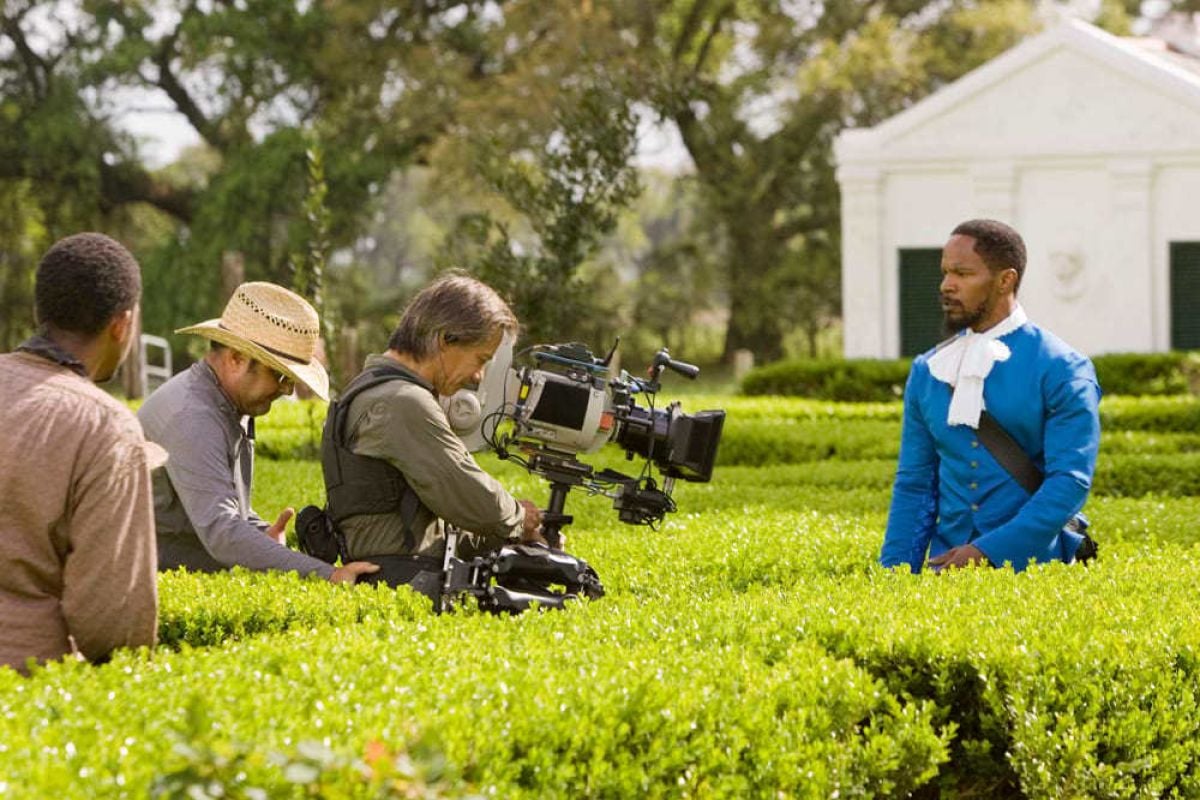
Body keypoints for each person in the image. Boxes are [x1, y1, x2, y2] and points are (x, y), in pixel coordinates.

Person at [880, 219, 1101, 573]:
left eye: (962, 274)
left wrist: (988, 551)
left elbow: (1069, 482)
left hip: (1038, 571)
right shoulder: (927, 371)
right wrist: (893, 576)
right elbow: (915, 485)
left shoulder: (1063, 368)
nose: (946, 285)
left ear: (1005, 280)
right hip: (946, 573)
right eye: (945, 273)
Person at [321, 273, 545, 600]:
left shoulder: (374, 386)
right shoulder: (402, 402)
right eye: (480, 358)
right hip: (402, 583)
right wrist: (520, 516)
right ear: (446, 340)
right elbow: (465, 492)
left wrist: (514, 538)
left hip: (399, 575)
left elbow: (433, 520)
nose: (478, 374)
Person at [138, 282, 377, 583]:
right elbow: (223, 532)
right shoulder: (192, 417)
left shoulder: (226, 404)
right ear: (236, 359)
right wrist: (329, 575)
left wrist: (260, 533)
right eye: (278, 375)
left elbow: (228, 508)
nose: (287, 390)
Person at [1, 233, 159, 672]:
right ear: (122, 324)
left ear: (41, 312)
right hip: (26, 699)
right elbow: (112, 623)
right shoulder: (104, 427)